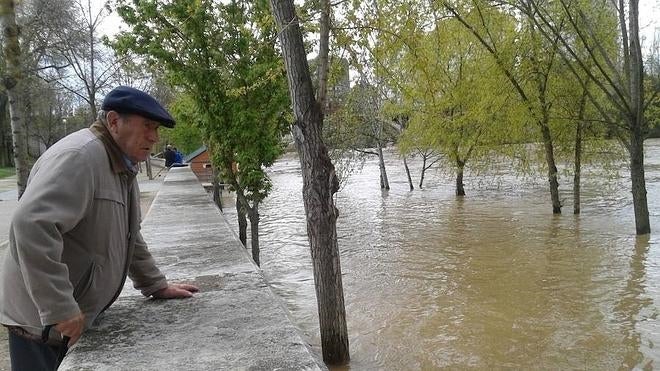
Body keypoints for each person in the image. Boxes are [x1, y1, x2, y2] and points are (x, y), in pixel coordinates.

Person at [0, 86, 199, 370]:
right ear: (114, 121)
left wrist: (155, 284)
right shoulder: (80, 157)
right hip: (41, 327)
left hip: (63, 322)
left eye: (155, 129)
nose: (154, 138)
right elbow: (31, 225)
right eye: (147, 127)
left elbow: (130, 236)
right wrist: (59, 308)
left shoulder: (120, 162)